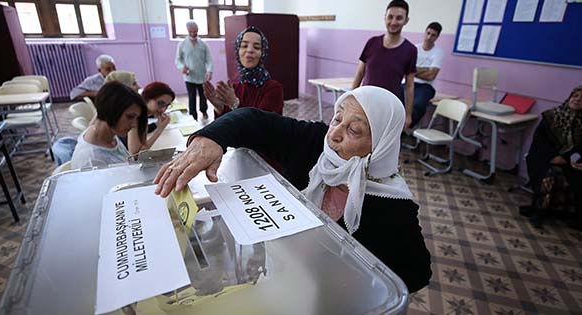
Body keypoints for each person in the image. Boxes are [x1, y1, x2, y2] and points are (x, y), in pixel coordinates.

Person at [154, 86, 432, 293]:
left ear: (381, 145)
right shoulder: (314, 144)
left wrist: (354, 276)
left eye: (354, 131)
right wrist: (210, 140)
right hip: (276, 271)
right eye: (337, 119)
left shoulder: (393, 203)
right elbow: (253, 120)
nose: (334, 134)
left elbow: (417, 273)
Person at [520, 85, 582, 233]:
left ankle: (580, 220)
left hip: (574, 161)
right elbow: (539, 141)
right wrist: (553, 156)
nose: (577, 99)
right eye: (575, 95)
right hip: (546, 156)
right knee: (548, 176)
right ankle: (539, 211)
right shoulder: (551, 115)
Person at [352, 0, 417, 129]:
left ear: (406, 20)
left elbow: (409, 85)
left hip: (389, 108)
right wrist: (351, 99)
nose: (393, 22)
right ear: (385, 17)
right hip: (365, 104)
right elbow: (360, 73)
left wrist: (408, 114)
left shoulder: (410, 50)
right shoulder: (372, 42)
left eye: (399, 18)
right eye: (390, 17)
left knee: (382, 145)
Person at [203, 26, 284, 118]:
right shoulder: (235, 88)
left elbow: (262, 126)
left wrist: (235, 103)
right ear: (238, 51)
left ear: (263, 53)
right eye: (244, 46)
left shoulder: (273, 88)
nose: (249, 50)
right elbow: (225, 126)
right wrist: (219, 107)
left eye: (256, 47)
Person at [70, 81, 147, 169]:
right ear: (111, 110)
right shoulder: (91, 160)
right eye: (129, 117)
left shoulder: (109, 136)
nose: (133, 125)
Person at [401, 22, 444, 127]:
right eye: (428, 33)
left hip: (426, 86)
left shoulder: (439, 52)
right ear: (425, 32)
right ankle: (394, 128)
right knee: (395, 100)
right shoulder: (414, 49)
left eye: (433, 35)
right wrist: (425, 70)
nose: (429, 37)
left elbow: (431, 76)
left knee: (418, 105)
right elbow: (404, 70)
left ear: (437, 37)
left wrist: (412, 70)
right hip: (408, 82)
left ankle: (405, 127)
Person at [175, 20, 214, 121]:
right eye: (191, 32)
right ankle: (193, 116)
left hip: (202, 76)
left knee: (203, 95)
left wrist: (209, 71)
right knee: (191, 97)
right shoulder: (182, 44)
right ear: (188, 31)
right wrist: (182, 67)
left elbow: (209, 59)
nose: (193, 34)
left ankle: (204, 111)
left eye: (195, 31)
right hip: (189, 76)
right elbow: (178, 59)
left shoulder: (203, 44)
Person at [126, 81, 175, 154]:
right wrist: (160, 129)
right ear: (147, 98)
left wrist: (158, 126)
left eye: (167, 105)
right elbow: (136, 153)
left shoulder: (143, 114)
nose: (163, 109)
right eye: (161, 103)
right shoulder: (136, 116)